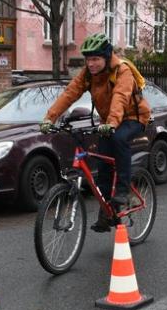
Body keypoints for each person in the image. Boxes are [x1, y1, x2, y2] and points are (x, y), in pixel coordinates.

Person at [40, 33, 151, 232]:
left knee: (119, 138)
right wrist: (50, 117)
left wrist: (112, 123)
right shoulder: (88, 74)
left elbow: (120, 97)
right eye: (88, 59)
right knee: (102, 162)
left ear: (106, 57)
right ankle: (107, 211)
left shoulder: (122, 71)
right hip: (109, 121)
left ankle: (124, 190)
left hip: (133, 117)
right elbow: (69, 94)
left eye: (95, 59)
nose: (90, 64)